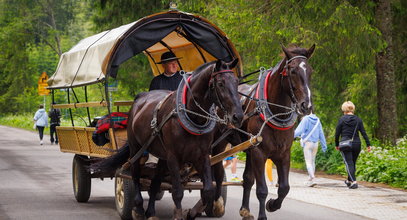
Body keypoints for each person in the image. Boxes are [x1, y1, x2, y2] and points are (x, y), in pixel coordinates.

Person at [145, 51, 183, 168]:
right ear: (163, 65)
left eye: (175, 63)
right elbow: (151, 101)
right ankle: (153, 157)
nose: (174, 65)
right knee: (154, 127)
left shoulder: (183, 78)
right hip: (162, 115)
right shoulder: (157, 81)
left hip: (181, 113)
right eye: (171, 63)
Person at [335, 101, 371, 189]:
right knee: (352, 163)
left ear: (344, 109)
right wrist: (368, 144)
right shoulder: (358, 119)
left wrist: (337, 144)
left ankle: (354, 182)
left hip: (345, 144)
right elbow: (363, 133)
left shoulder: (342, 119)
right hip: (356, 144)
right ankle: (349, 181)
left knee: (349, 163)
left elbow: (337, 133)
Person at [294, 112, 327, 187]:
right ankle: (311, 180)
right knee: (312, 161)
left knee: (308, 161)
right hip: (316, 144)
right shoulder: (317, 120)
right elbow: (321, 133)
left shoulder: (306, 119)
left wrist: (289, 135)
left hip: (308, 143)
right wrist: (324, 146)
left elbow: (299, 131)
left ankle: (312, 176)